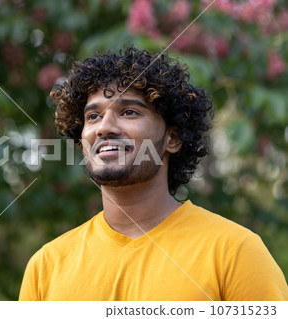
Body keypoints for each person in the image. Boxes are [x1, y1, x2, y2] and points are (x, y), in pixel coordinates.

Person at [19, 46, 288, 301]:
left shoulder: (235, 252)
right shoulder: (46, 267)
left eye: (129, 112)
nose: (104, 128)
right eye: (93, 116)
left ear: (172, 138)